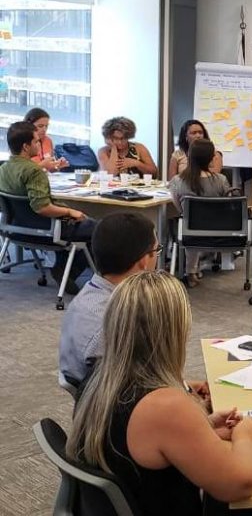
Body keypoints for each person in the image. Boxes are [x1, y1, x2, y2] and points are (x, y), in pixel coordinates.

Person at [66, 271, 252, 514]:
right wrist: (246, 436)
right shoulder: (164, 406)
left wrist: (203, 427)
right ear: (173, 332)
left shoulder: (98, 378)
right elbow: (239, 485)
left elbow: (145, 440)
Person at [59, 212, 161, 387]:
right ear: (144, 260)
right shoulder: (115, 323)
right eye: (157, 250)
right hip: (117, 406)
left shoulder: (87, 297)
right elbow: (130, 392)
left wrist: (185, 388)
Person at [0, 121, 95, 294]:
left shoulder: (3, 168)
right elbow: (42, 207)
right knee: (99, 228)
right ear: (26, 146)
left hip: (15, 230)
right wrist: (70, 211)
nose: (39, 143)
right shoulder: (34, 172)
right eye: (36, 141)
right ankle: (68, 270)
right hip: (45, 231)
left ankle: (64, 263)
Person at [169, 138, 231, 288]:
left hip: (190, 232)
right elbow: (228, 205)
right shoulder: (221, 180)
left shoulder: (178, 181)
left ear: (189, 157)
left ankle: (190, 271)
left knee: (187, 222)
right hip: (220, 232)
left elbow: (178, 207)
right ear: (211, 159)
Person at [24, 107, 68, 172]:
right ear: (29, 125)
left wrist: (57, 166)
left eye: (46, 126)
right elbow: (22, 173)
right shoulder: (22, 143)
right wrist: (42, 165)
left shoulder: (48, 140)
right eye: (40, 126)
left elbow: (49, 169)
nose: (44, 130)